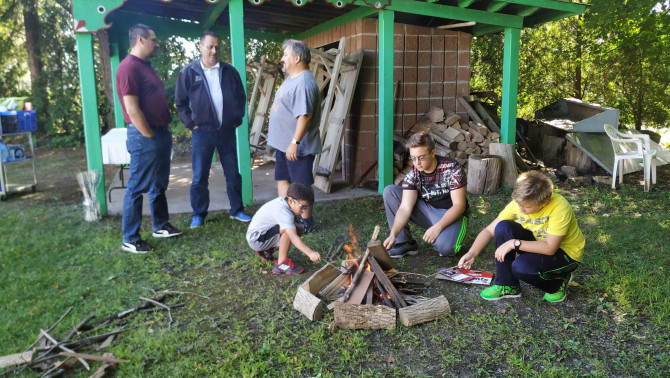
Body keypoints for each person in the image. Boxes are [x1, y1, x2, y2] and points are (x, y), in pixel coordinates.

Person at [458, 171, 585, 302]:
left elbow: (550, 248)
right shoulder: (520, 203)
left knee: (521, 267)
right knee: (503, 227)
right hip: (539, 243)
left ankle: (557, 283)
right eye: (519, 204)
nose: (520, 210)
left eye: (526, 207)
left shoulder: (560, 207)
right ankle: (506, 285)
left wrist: (514, 243)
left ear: (544, 203)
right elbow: (490, 230)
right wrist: (472, 253)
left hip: (566, 254)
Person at [116, 24, 181, 254]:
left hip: (159, 132)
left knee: (158, 184)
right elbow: (132, 109)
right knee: (136, 187)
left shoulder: (146, 66)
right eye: (153, 39)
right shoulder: (128, 68)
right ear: (140, 39)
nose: (156, 43)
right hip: (145, 134)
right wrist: (150, 136)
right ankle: (130, 238)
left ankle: (160, 225)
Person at [175, 30, 250, 228]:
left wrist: (236, 119)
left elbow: (241, 98)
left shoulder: (229, 71)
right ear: (200, 47)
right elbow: (180, 104)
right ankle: (198, 214)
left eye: (217, 46)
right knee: (200, 175)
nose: (214, 51)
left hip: (226, 131)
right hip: (202, 133)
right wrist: (191, 124)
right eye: (210, 46)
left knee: (233, 173)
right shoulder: (189, 72)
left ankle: (237, 210)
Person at [383, 131, 469, 258]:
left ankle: (444, 235)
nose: (417, 162)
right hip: (427, 211)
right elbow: (405, 207)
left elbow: (459, 206)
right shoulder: (413, 173)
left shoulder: (452, 168)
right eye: (413, 158)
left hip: (451, 213)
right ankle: (404, 243)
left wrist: (438, 227)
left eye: (421, 157)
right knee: (390, 191)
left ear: (433, 153)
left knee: (446, 249)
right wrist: (393, 234)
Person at [267, 39, 321, 234]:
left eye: (286, 55)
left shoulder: (304, 83)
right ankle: (287, 220)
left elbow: (305, 116)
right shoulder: (292, 78)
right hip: (284, 145)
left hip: (297, 147)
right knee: (283, 179)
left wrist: (294, 142)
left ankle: (307, 223)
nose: (282, 58)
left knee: (301, 186)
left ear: (297, 58)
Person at [246, 183, 322, 275]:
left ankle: (266, 251)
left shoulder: (283, 202)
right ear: (291, 200)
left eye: (307, 207)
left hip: (258, 235)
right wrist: (310, 253)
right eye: (303, 207)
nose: (304, 210)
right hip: (257, 240)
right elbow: (293, 237)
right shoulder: (284, 211)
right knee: (288, 230)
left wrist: (299, 228)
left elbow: (286, 223)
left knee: (296, 229)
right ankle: (281, 264)